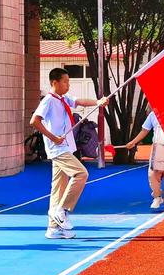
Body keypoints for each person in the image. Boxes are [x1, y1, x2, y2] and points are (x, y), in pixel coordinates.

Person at [30, 68, 108, 239]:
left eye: (69, 82)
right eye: (65, 81)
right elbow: (34, 121)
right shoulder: (49, 101)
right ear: (54, 82)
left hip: (65, 147)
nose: (68, 85)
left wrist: (98, 102)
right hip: (58, 148)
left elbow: (79, 101)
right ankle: (62, 210)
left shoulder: (63, 99)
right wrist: (53, 137)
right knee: (81, 173)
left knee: (58, 188)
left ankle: (53, 229)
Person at [126, 111, 164, 213]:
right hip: (157, 146)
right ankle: (157, 196)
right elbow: (145, 130)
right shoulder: (153, 114)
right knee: (153, 174)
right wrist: (133, 142)